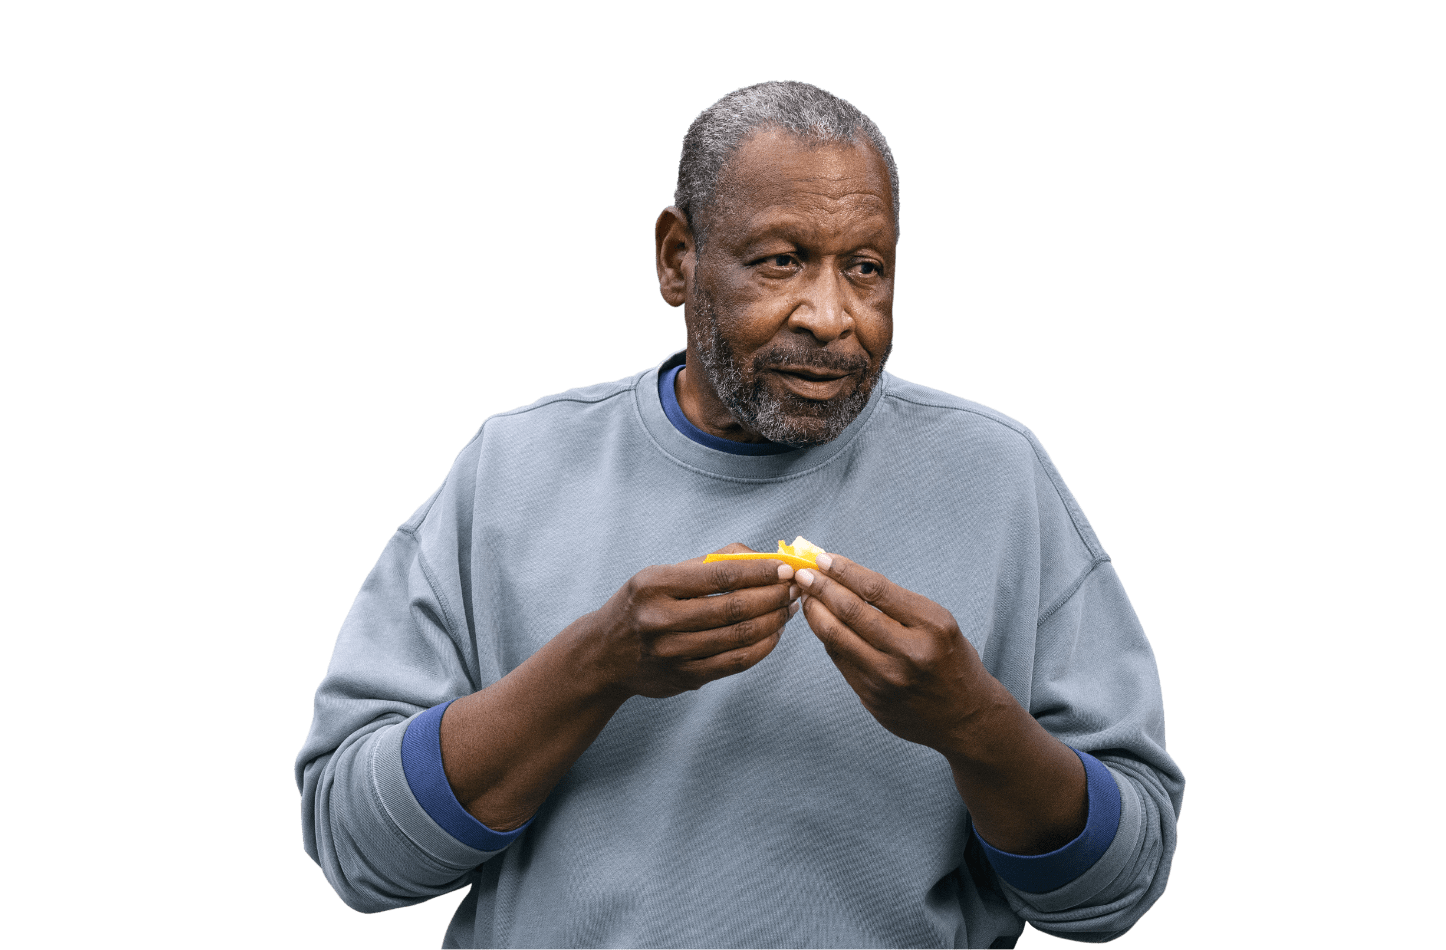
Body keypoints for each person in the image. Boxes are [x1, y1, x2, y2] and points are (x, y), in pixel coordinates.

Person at [296, 80, 1184, 950]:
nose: (833, 317)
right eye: (781, 261)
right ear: (677, 258)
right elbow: (360, 850)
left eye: (865, 269)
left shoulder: (1000, 477)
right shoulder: (512, 470)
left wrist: (973, 723)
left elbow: (1117, 891)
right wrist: (594, 666)